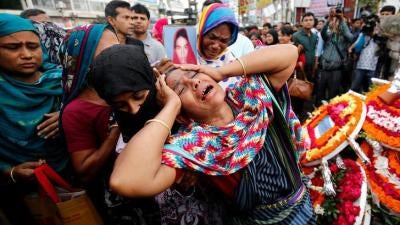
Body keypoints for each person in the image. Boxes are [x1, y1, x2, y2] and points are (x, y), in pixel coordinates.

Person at [109, 44, 316, 224]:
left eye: (193, 75)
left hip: (304, 209)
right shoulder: (194, 146)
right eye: (181, 90)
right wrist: (171, 107)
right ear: (180, 116)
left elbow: (289, 53)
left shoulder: (249, 96)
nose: (194, 83)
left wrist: (221, 72)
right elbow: (125, 180)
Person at [92, 45, 224, 225]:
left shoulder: (185, 115)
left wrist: (172, 106)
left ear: (152, 80)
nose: (133, 109)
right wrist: (171, 107)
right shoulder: (114, 126)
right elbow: (123, 180)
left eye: (139, 96)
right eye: (121, 105)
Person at [0, 13, 67, 225]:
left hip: (69, 179)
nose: (26, 54)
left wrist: (67, 117)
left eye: (33, 46)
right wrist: (10, 172)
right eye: (13, 47)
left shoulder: (61, 80)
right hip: (17, 192)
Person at [197, 3, 242, 90]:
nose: (216, 46)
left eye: (223, 41)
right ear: (202, 31)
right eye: (212, 37)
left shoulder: (230, 62)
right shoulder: (185, 57)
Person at [316, 7, 353, 105]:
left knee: (333, 94)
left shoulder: (345, 37)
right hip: (324, 68)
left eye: (337, 22)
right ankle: (317, 112)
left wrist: (341, 21)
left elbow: (350, 37)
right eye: (334, 21)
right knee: (319, 93)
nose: (335, 23)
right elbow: (323, 33)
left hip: (336, 69)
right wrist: (329, 20)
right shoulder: (329, 36)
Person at [293, 12, 318, 82]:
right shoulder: (296, 36)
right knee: (301, 90)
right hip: (301, 69)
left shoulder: (315, 36)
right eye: (306, 20)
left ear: (314, 22)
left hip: (313, 68)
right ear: (302, 23)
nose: (308, 22)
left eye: (311, 20)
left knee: (312, 88)